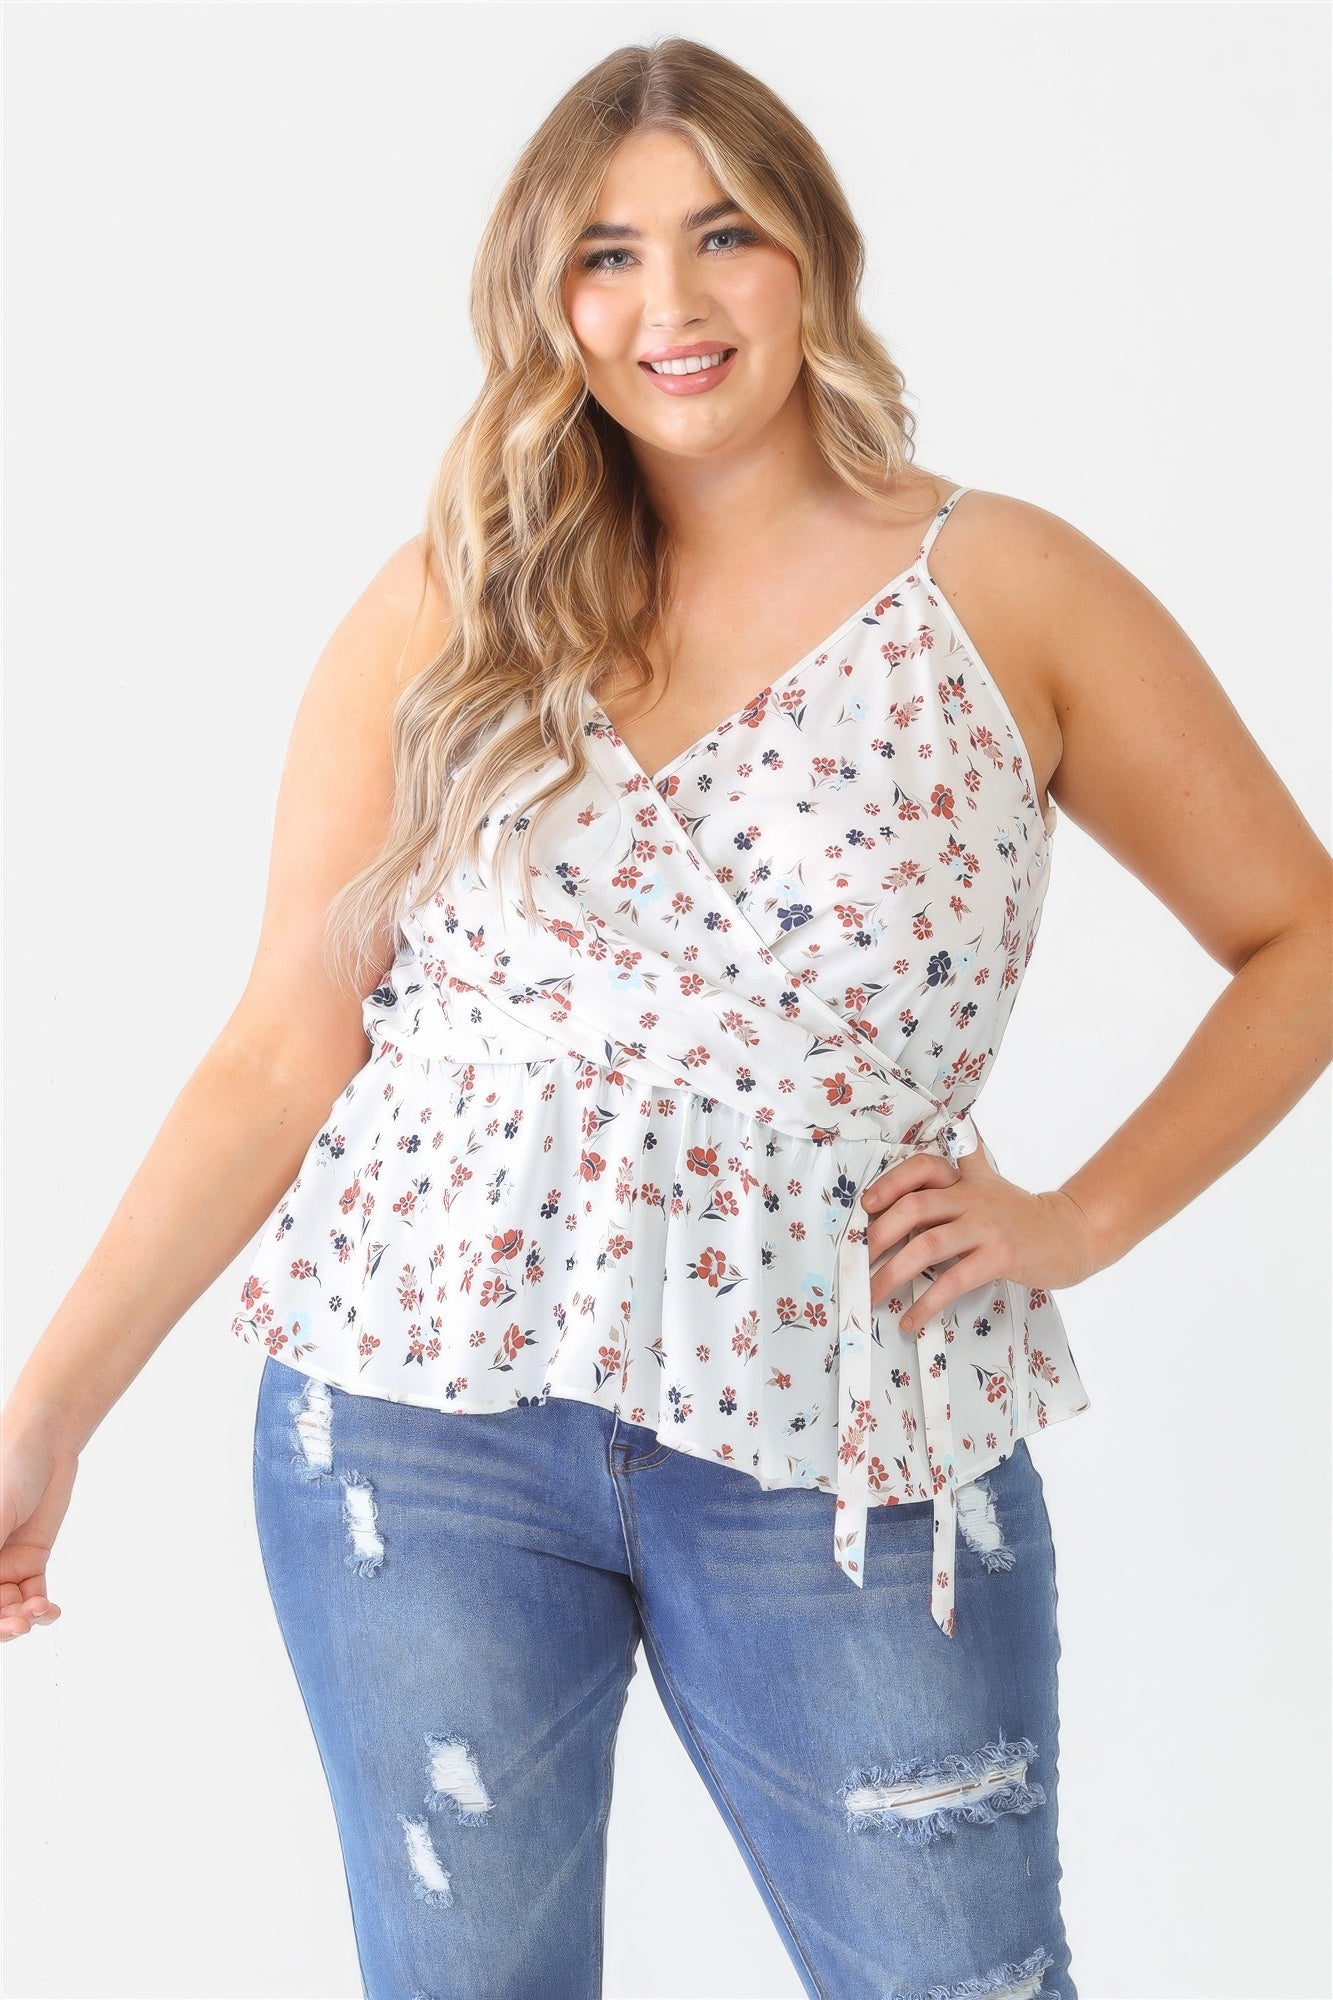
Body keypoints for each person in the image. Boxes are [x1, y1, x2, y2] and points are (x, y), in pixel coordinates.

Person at [3, 34, 1329, 2000]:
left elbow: (1299, 932)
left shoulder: (1004, 588)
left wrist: (1076, 1220)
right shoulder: (455, 604)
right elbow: (284, 1042)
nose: (671, 304)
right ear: (547, 301)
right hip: (419, 1414)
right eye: (606, 255)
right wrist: (45, 1418)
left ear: (813, 255)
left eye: (724, 234)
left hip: (845, 1421)